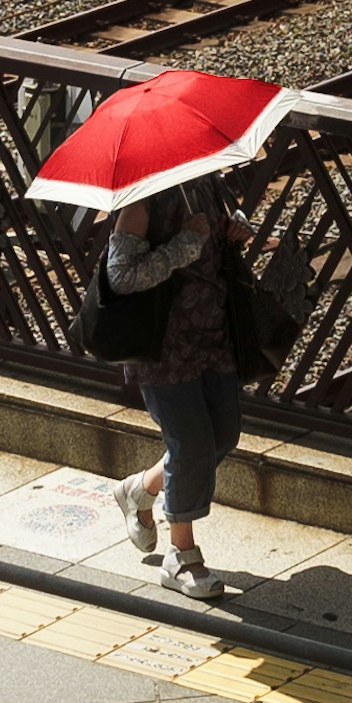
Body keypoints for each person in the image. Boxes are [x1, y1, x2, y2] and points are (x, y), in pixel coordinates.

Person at [93, 180, 252, 592]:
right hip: (165, 347)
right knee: (192, 444)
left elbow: (213, 241)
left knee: (223, 434)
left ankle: (139, 489)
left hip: (214, 336)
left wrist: (233, 226)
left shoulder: (205, 183)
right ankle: (181, 557)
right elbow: (121, 276)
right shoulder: (141, 202)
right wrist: (183, 245)